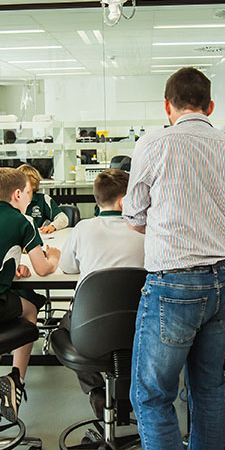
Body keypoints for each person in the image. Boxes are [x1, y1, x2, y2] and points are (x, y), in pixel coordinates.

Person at [122, 67, 225, 450]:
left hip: (173, 286)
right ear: (210, 107)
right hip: (224, 283)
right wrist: (220, 240)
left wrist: (175, 230)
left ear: (168, 107)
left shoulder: (153, 144)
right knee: (206, 395)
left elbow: (134, 218)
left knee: (150, 398)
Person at [0, 167, 61, 422]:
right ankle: (16, 379)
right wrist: (54, 258)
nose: (29, 197)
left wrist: (11, 265)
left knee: (13, 304)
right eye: (28, 193)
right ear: (18, 194)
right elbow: (43, 269)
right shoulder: (23, 221)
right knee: (30, 310)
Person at [59, 169, 146, 417]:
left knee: (62, 330)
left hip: (90, 330)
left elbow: (67, 268)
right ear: (124, 202)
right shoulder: (147, 231)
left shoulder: (83, 229)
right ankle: (128, 393)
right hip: (137, 327)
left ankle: (96, 389)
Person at [18, 163, 69, 234]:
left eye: (24, 182)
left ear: (33, 183)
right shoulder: (14, 201)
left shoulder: (43, 199)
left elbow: (63, 219)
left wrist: (52, 226)